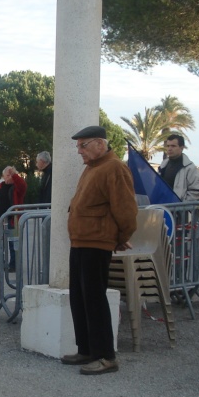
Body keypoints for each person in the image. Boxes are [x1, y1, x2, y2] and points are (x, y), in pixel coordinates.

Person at [62, 126, 138, 375]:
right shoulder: (92, 168)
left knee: (94, 298)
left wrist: (121, 237)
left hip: (96, 242)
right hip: (81, 241)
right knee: (79, 297)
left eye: (82, 145)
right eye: (78, 146)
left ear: (99, 144)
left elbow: (126, 209)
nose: (79, 151)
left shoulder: (114, 168)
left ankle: (106, 356)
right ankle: (86, 349)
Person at [0, 166, 26, 273]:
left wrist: (15, 175)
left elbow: (23, 185)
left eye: (12, 175)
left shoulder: (17, 188)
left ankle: (13, 265)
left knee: (13, 244)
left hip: (12, 220)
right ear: (3, 176)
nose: (10, 177)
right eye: (8, 175)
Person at [158, 134, 199, 201]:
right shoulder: (163, 166)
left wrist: (181, 205)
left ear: (181, 148)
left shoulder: (190, 168)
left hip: (179, 209)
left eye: (173, 146)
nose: (169, 149)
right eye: (168, 146)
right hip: (162, 206)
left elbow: (195, 192)